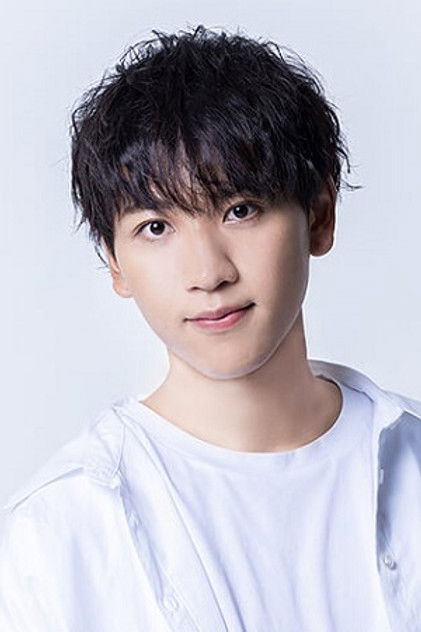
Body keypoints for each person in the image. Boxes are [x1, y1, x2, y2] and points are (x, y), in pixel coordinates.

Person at [0, 24, 420, 632]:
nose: (208, 273)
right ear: (114, 263)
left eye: (240, 210)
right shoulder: (58, 535)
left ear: (320, 216)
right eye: (155, 227)